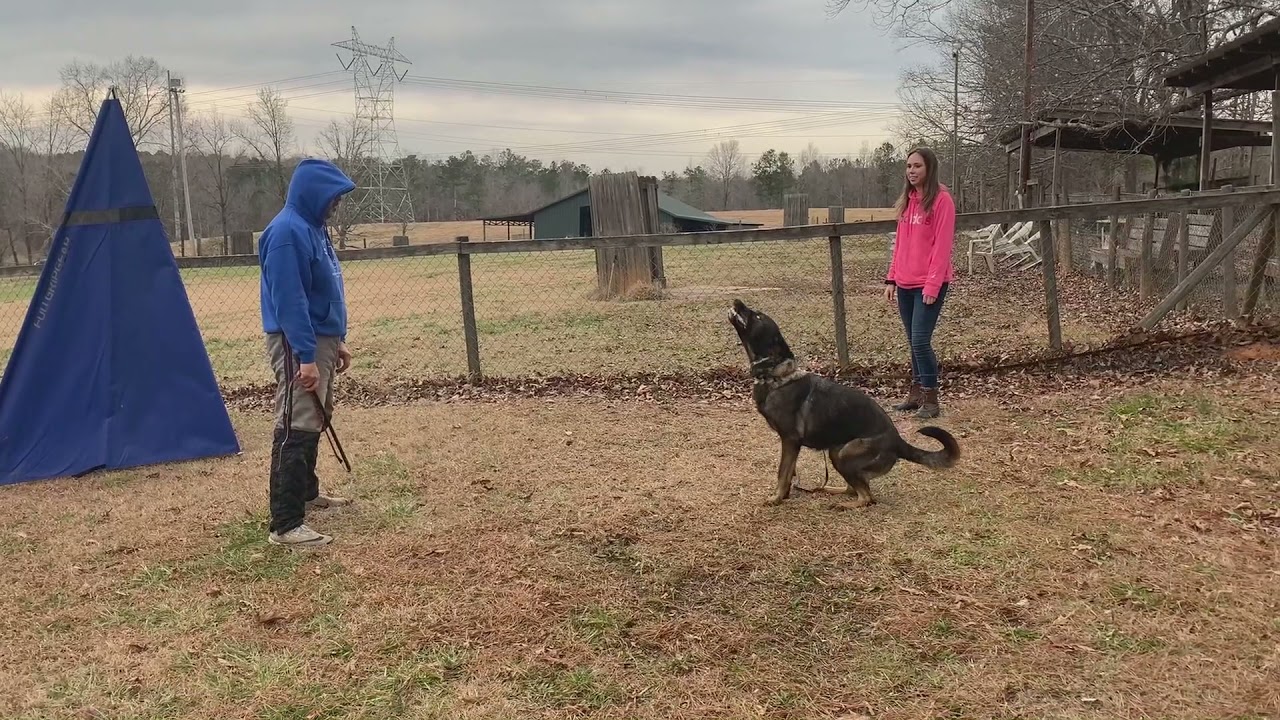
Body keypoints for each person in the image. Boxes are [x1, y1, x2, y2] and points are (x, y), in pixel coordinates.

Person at [259, 158, 357, 547]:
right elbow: (290, 300)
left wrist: (339, 340)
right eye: (333, 197)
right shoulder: (287, 233)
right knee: (297, 421)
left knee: (316, 415)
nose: (337, 205)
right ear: (314, 193)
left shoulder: (314, 230)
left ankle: (307, 494)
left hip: (322, 340)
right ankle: (285, 524)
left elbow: (325, 290)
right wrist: (305, 355)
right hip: (300, 341)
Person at [883, 146, 955, 419]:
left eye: (917, 166)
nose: (912, 171)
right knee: (913, 341)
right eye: (909, 166)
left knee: (921, 341)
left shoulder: (942, 201)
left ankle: (931, 399)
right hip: (904, 282)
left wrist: (932, 285)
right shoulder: (908, 200)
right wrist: (891, 277)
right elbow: (900, 243)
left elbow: (942, 247)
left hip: (929, 283)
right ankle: (915, 395)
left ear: (929, 168)